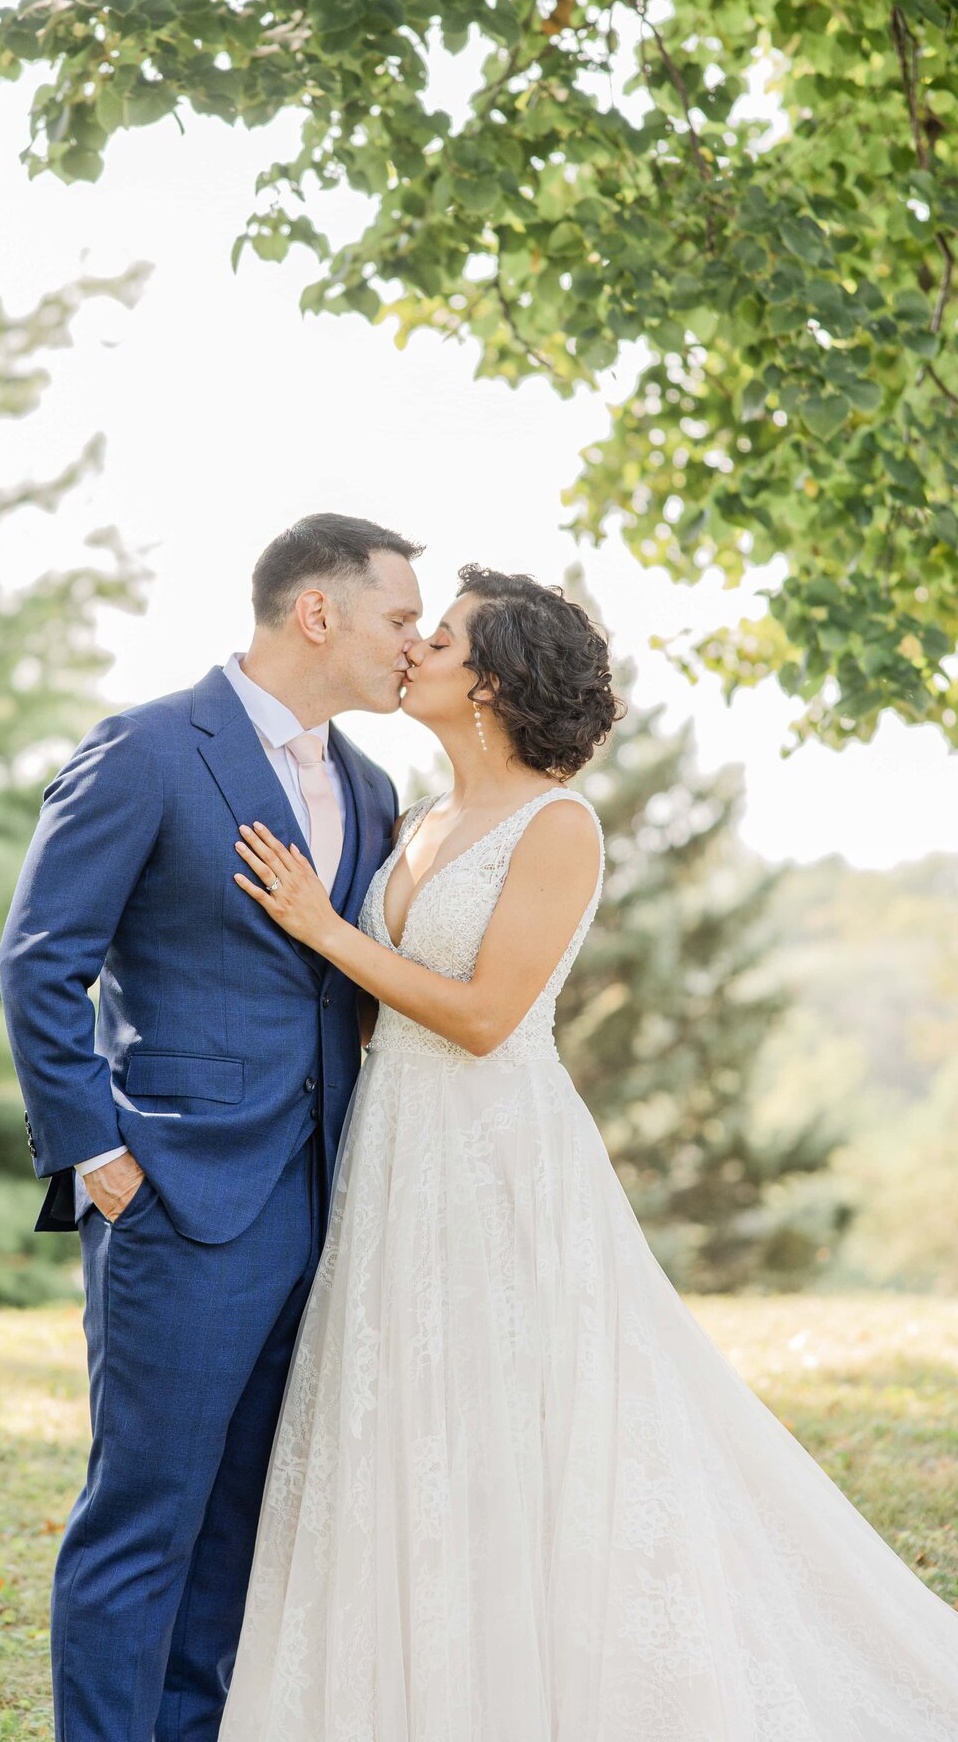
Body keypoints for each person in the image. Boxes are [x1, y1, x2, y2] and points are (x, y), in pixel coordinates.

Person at [219, 564, 958, 1740]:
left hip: (502, 1162)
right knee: (412, 1418)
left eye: (443, 638)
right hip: (397, 1157)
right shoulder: (413, 823)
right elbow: (375, 1012)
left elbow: (480, 1016)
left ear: (493, 683)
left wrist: (319, 924)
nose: (414, 648)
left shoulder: (557, 825)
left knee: (529, 1424)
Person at [0, 512, 424, 1741]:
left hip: (320, 1201)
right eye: (400, 618)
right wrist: (97, 1155)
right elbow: (40, 959)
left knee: (246, 1520)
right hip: (173, 1196)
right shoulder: (144, 751)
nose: (415, 642)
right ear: (318, 612)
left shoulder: (372, 783)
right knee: (146, 1517)